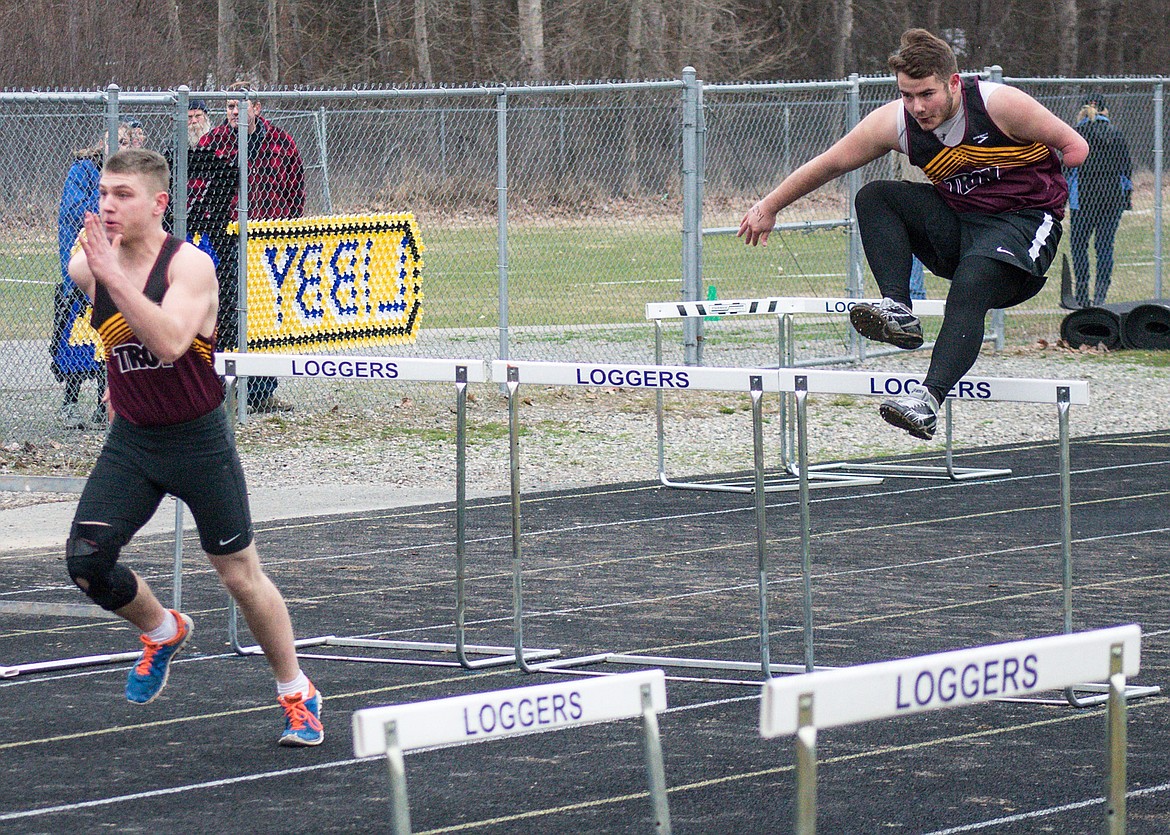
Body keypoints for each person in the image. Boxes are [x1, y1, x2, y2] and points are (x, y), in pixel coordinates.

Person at [66, 148, 322, 747]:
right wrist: (111, 378)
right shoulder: (88, 264)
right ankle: (161, 628)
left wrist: (111, 276)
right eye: (103, 192)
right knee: (86, 562)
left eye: (122, 194)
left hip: (198, 439)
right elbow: (115, 341)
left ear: (158, 204)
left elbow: (169, 344)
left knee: (240, 577)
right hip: (133, 440)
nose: (107, 205)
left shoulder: (191, 267)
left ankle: (296, 691)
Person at [738, 28, 1089, 440]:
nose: (917, 107)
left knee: (971, 282)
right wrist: (770, 206)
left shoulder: (1001, 105)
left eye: (927, 94)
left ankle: (928, 399)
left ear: (953, 83)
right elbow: (831, 163)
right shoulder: (898, 123)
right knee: (876, 196)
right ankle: (898, 308)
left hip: (1022, 226)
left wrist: (1048, 165)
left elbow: (1074, 144)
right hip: (958, 226)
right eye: (907, 95)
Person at [187, 81, 305, 413]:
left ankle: (263, 392)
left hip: (269, 245)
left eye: (241, 105)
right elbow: (197, 190)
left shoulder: (282, 143)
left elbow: (295, 193)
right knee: (227, 316)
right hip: (226, 242)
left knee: (267, 318)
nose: (235, 112)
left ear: (257, 108)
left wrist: (286, 230)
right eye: (229, 107)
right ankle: (228, 391)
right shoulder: (213, 143)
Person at [53, 123, 140, 429]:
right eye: (115, 140)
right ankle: (70, 402)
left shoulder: (132, 178)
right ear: (103, 143)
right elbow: (74, 209)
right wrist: (111, 203)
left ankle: (105, 407)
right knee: (77, 339)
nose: (120, 146)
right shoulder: (84, 170)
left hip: (116, 267)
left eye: (126, 142)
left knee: (111, 335)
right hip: (83, 261)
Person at [1067, 93, 1133, 307]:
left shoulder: (1076, 134)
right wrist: (1126, 197)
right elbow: (1126, 170)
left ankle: (1082, 294)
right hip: (1112, 200)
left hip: (1083, 201)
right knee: (1105, 246)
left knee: (1079, 245)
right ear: (1105, 111)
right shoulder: (1116, 134)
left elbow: (1069, 170)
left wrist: (1067, 197)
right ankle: (1101, 295)